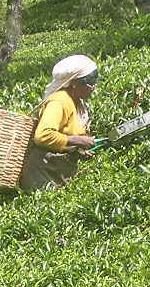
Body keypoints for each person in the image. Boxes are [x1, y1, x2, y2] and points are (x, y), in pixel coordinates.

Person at [19, 54, 98, 192]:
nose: (94, 87)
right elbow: (43, 136)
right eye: (90, 83)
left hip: (57, 170)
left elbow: (62, 138)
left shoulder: (76, 101)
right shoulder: (59, 101)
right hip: (42, 173)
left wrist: (77, 150)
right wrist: (78, 140)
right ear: (74, 83)